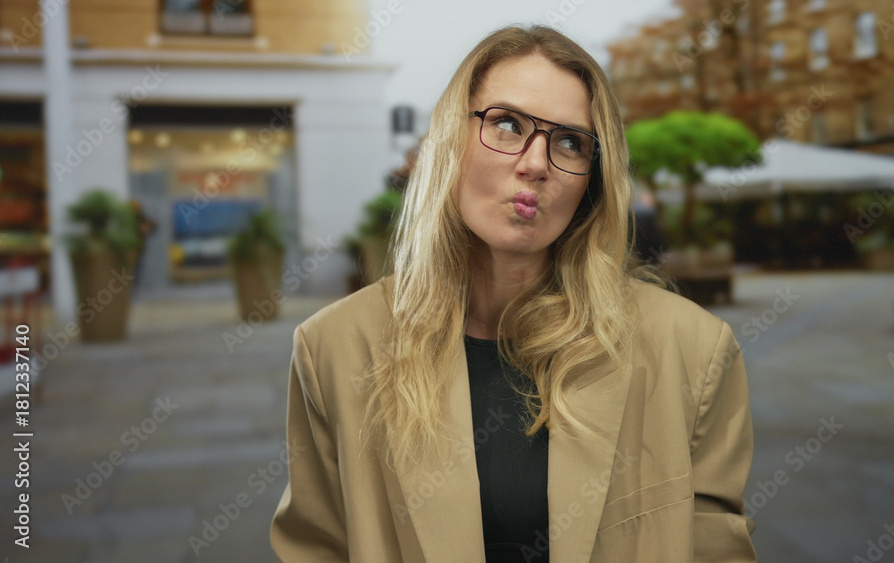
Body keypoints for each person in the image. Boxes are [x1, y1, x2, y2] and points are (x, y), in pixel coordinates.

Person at [271, 24, 755, 562]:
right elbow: (316, 548)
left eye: (570, 141)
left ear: (592, 181)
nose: (535, 163)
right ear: (451, 140)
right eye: (506, 124)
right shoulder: (334, 348)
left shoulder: (693, 351)